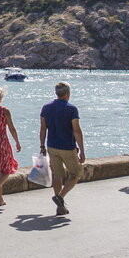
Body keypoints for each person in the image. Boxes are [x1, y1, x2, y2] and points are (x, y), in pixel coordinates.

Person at [40, 82, 85, 216]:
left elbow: (43, 129)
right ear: (67, 94)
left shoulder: (46, 108)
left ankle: (60, 207)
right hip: (67, 147)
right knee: (75, 174)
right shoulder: (72, 109)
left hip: (51, 146)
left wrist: (42, 146)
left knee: (57, 175)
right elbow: (76, 130)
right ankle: (61, 196)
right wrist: (82, 150)